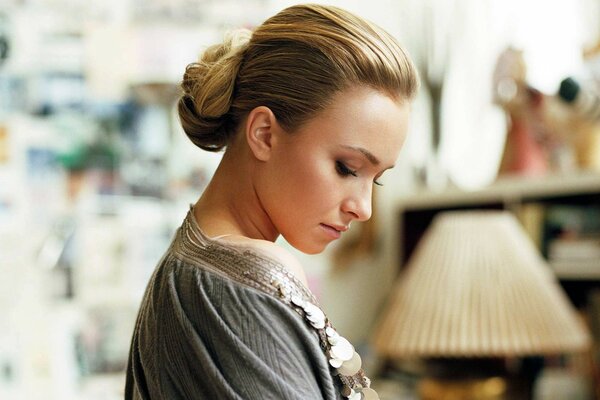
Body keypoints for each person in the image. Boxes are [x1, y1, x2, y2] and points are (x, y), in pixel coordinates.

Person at [125, 4, 418, 400]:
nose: (362, 208)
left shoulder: (190, 269)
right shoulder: (244, 280)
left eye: (376, 179)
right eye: (348, 168)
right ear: (263, 133)